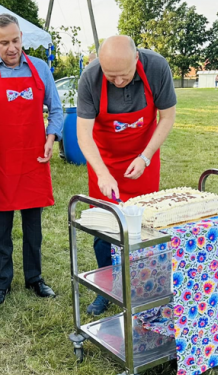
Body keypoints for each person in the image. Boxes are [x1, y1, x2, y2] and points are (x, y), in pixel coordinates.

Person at [75, 35, 177, 315]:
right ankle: (107, 288)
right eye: (111, 76)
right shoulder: (91, 78)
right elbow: (83, 134)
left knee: (145, 226)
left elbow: (167, 117)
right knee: (104, 226)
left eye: (123, 75)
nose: (117, 82)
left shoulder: (157, 68)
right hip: (105, 161)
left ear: (136, 59)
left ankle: (143, 284)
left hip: (143, 158)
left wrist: (145, 157)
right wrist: (102, 173)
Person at [0, 14, 61, 306]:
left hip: (34, 159)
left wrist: (51, 138)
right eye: (5, 43)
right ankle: (3, 282)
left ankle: (35, 278)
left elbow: (57, 111)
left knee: (33, 229)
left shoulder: (41, 69)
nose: (12, 48)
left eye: (16, 40)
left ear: (22, 37)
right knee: (2, 231)